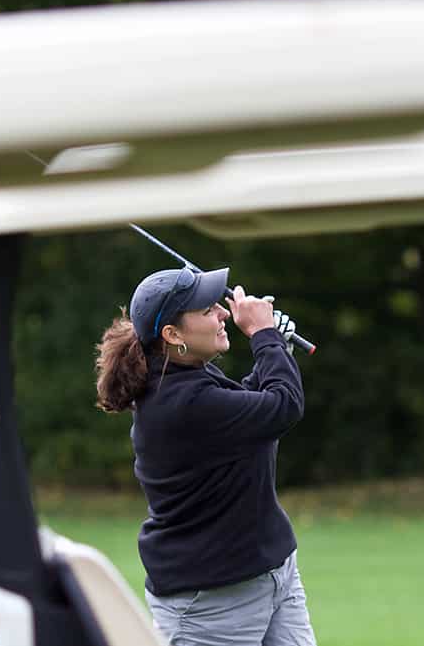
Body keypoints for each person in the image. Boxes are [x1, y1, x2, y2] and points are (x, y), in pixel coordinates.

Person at [94, 267, 316, 646]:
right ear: (172, 335)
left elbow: (248, 412)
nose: (224, 314)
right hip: (210, 603)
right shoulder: (179, 402)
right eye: (208, 310)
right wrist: (265, 337)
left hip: (270, 573)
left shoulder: (189, 382)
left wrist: (277, 346)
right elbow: (283, 407)